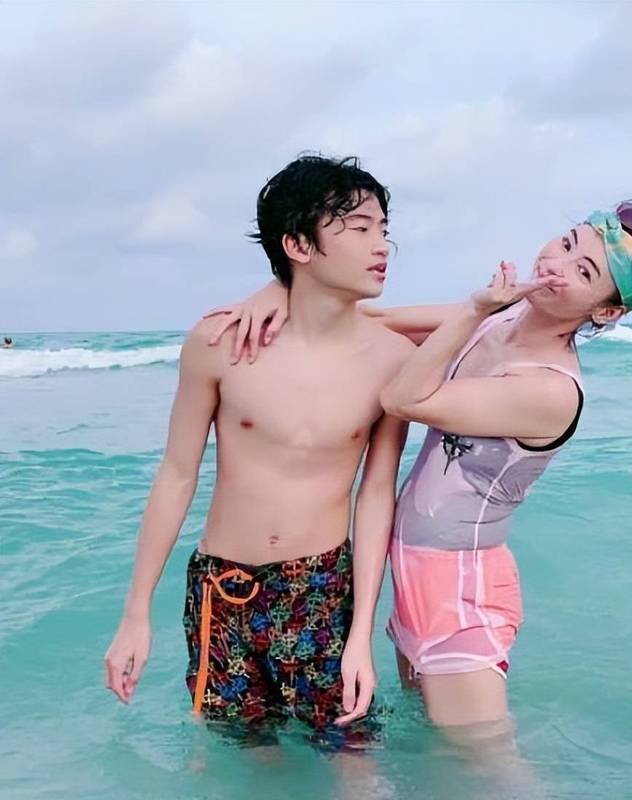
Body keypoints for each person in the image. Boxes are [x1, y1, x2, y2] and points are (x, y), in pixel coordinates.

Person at [209, 199, 632, 730]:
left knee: (483, 765)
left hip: (462, 591)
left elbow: (403, 398)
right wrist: (275, 292)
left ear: (606, 312)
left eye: (583, 272)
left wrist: (472, 310)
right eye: (565, 244)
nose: (556, 266)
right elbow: (378, 320)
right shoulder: (503, 317)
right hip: (416, 576)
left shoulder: (550, 388)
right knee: (434, 755)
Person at [103, 154, 415, 746]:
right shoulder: (219, 342)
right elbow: (177, 474)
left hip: (322, 587)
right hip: (222, 589)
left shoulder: (393, 360)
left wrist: (361, 637)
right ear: (298, 245)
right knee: (246, 759)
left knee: (352, 754)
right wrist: (135, 613)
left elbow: (376, 495)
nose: (382, 246)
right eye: (359, 228)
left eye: (384, 228)